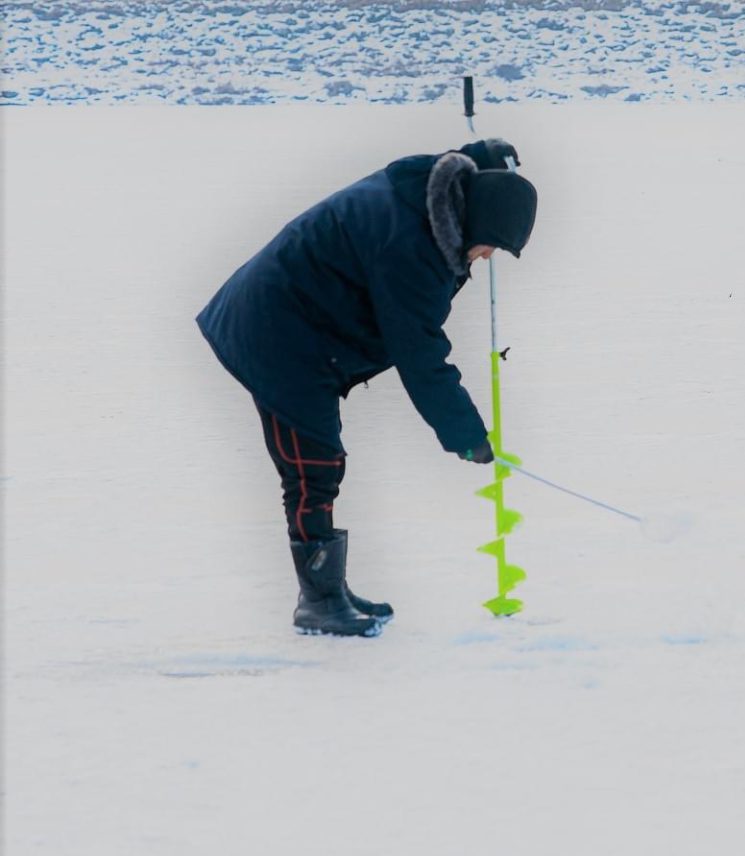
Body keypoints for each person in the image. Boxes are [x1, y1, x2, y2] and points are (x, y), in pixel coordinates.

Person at [196, 139, 537, 637]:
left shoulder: (429, 192)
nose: (485, 259)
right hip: (276, 331)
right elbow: (419, 353)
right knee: (314, 466)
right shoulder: (410, 249)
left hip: (304, 324)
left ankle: (330, 591)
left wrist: (482, 154)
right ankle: (319, 602)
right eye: (492, 246)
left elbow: (457, 170)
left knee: (318, 465)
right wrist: (466, 434)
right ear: (477, 223)